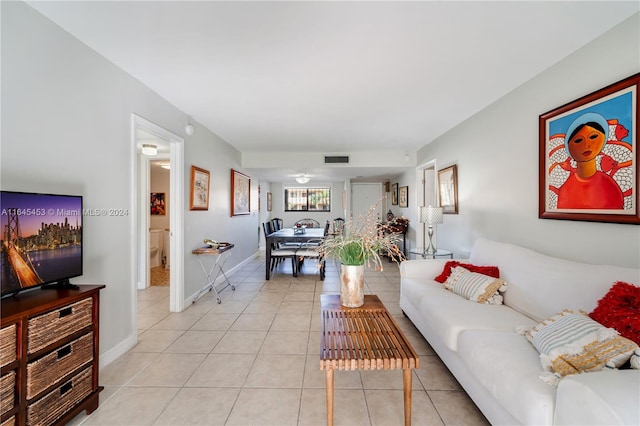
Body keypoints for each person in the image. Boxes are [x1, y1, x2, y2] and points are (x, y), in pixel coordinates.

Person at [557, 112, 623, 209]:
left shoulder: (608, 185)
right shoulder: (567, 189)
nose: (586, 145)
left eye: (593, 137)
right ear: (569, 149)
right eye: (578, 140)